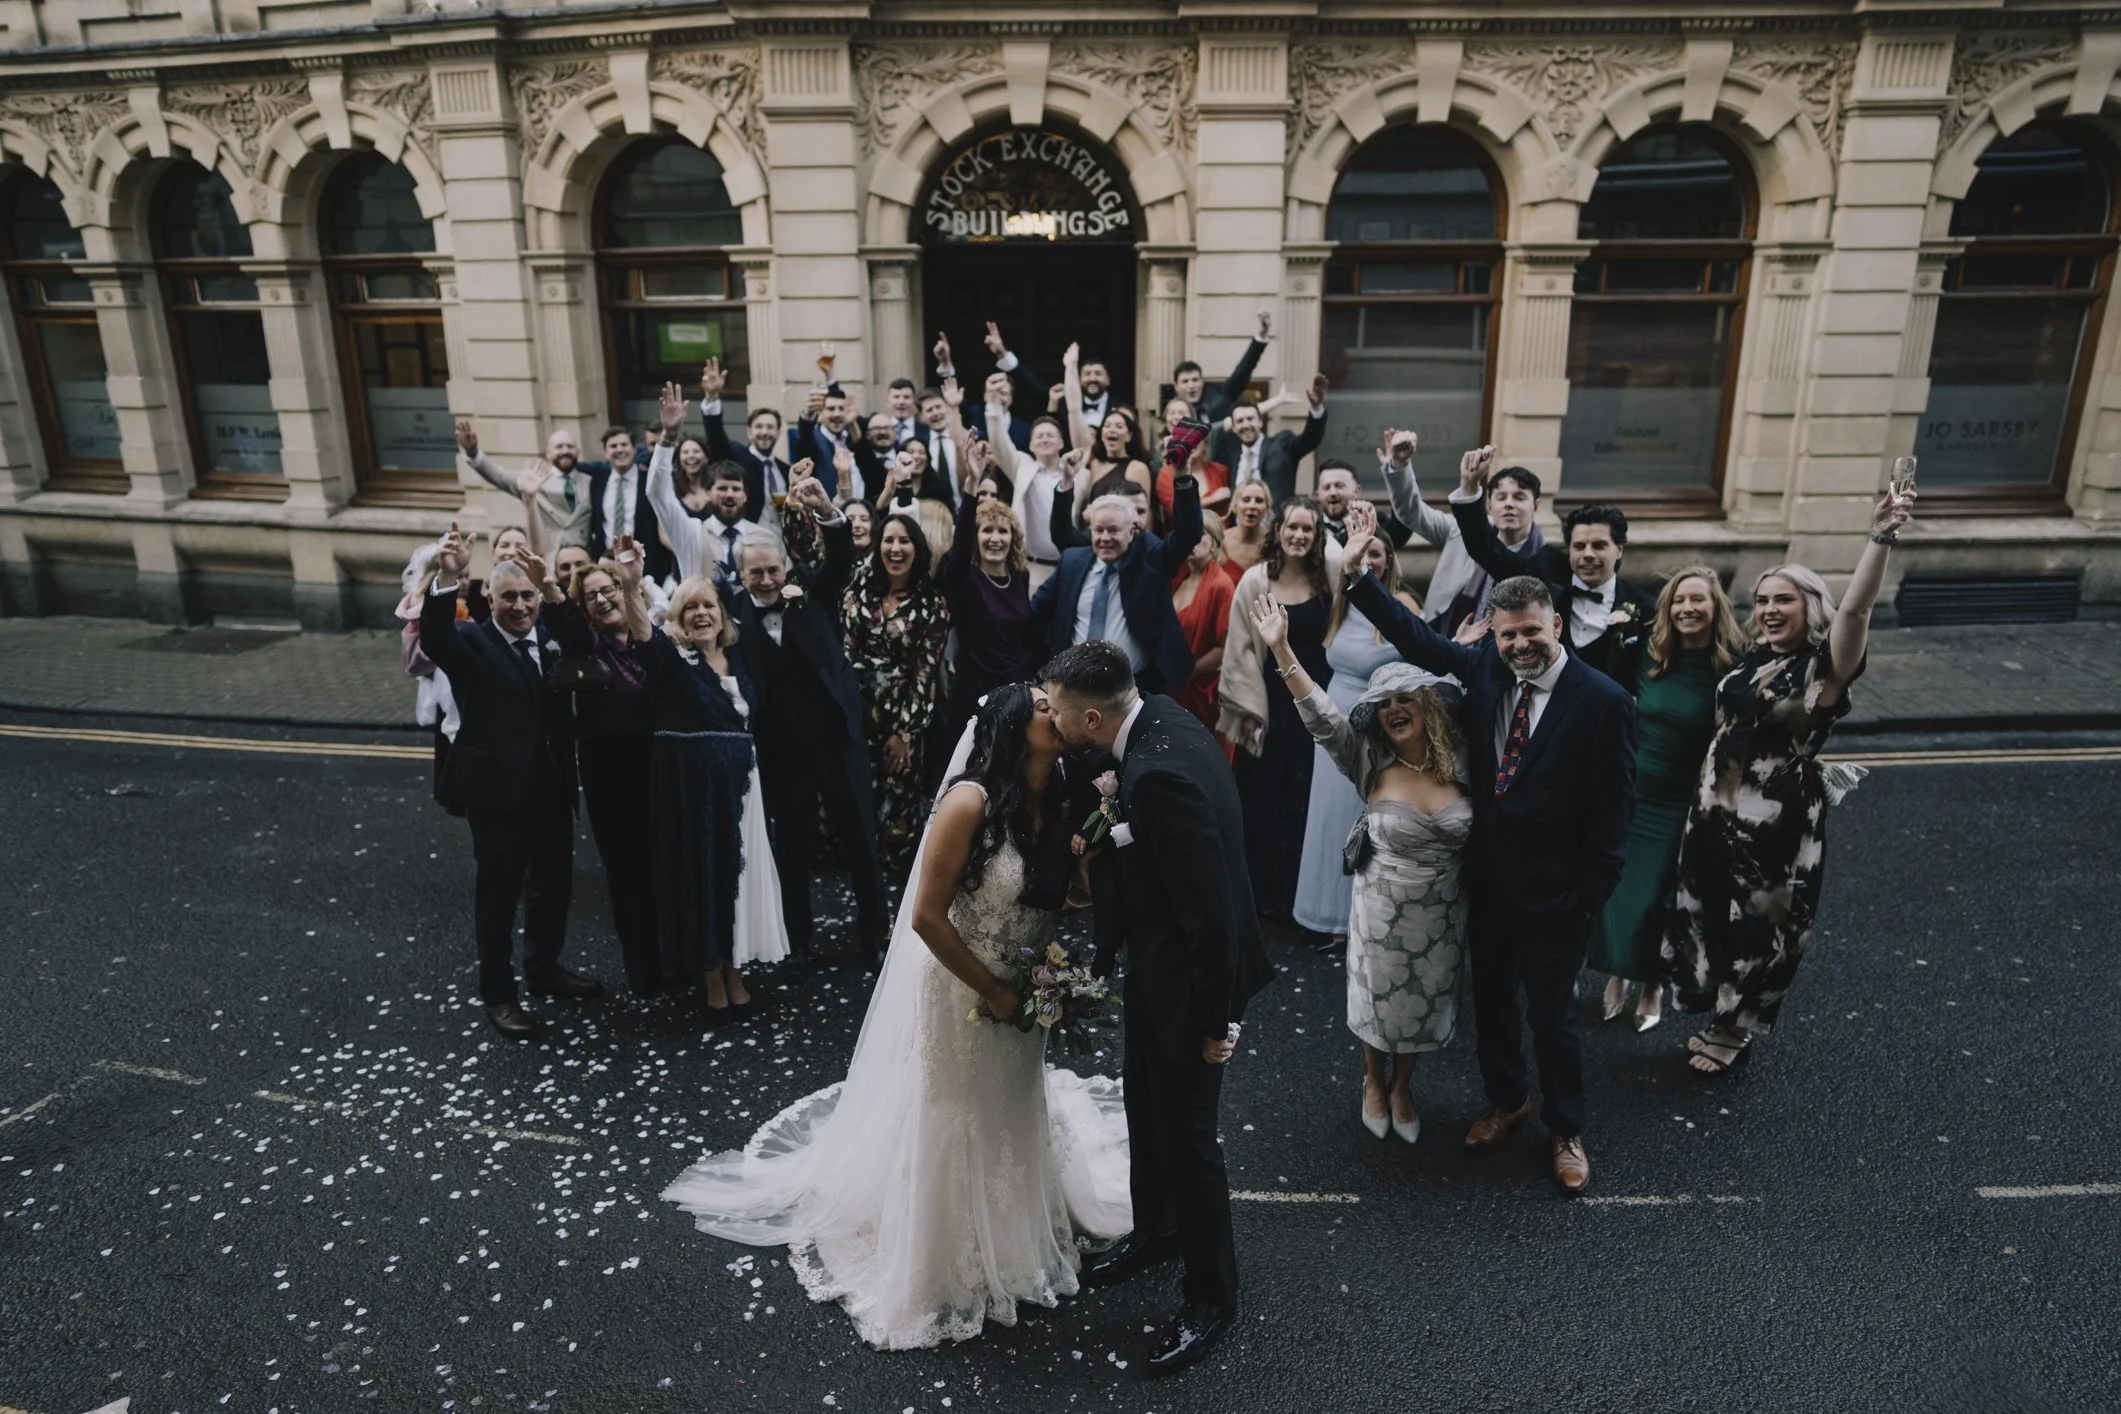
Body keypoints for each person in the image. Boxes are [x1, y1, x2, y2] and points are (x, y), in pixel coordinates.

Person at [663, 684, 1131, 1349]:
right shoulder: (967, 802)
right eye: (1039, 706)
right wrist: (991, 991)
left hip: (1025, 979)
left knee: (1010, 1099)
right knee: (957, 1107)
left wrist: (1078, 887)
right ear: (1007, 727)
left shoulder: (1054, 799)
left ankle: (1015, 1226)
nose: (1053, 713)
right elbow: (923, 918)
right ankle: (944, 1245)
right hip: (961, 987)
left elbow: (1056, 892)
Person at [1341, 533, 1637, 1197]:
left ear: (1554, 625)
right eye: (1506, 636)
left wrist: (1590, 893)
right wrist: (1363, 582)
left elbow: (1615, 812)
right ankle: (1506, 1102)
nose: (1517, 646)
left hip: (1558, 893)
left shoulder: (1603, 702)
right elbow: (1419, 643)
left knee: (1552, 1017)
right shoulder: (1484, 670)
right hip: (1486, 882)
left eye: (1529, 631)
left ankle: (1565, 1129)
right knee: (1495, 1003)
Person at [1043, 641, 1273, 1374]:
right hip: (1153, 966)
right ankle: (1156, 1230)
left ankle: (1211, 1298)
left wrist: (1217, 1024)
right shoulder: (1160, 718)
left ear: (1088, 716)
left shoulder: (1157, 775)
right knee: (1144, 1103)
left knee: (1190, 1138)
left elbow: (1211, 915)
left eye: (1052, 710)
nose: (1047, 719)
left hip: (1190, 984)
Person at [1663, 489, 1914, 1074]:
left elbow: (1856, 613)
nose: (1771, 608)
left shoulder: (1823, 670)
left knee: (1756, 923)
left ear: (1811, 605)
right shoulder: (1753, 656)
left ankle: (1735, 1031)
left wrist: (1879, 538)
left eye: (1785, 599)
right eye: (1763, 599)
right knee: (1708, 912)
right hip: (1713, 811)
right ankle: (1717, 1013)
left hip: (1772, 826)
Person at [1255, 598, 1469, 1145]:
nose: (1395, 709)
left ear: (1426, 707)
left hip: (1443, 911)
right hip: (1381, 908)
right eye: (1384, 704)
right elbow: (1323, 717)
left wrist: (1465, 651)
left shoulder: (1463, 762)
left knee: (1425, 998)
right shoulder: (1367, 759)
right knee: (1381, 999)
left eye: (1406, 700)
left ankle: (1404, 1087)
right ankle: (1374, 1080)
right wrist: (1281, 649)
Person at [706, 389, 890, 967]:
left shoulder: (811, 588)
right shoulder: (730, 609)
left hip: (837, 739)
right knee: (792, 848)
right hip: (780, 750)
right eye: (754, 572)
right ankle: (799, 939)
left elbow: (840, 557)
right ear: (741, 573)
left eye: (772, 570)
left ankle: (875, 935)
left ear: (786, 567)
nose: (764, 579)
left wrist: (829, 510)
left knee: (861, 840)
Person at [419, 529, 605, 1039]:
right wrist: (450, 576)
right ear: (492, 601)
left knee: (553, 886)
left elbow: (586, 644)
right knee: (499, 896)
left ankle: (544, 970)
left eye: (527, 596)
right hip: (496, 793)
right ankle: (499, 995)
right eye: (509, 597)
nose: (520, 606)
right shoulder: (472, 641)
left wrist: (552, 591)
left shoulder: (549, 635)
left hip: (551, 786)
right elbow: (434, 639)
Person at [1589, 566, 1748, 1031]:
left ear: (1715, 607)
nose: (1687, 608)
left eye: (1697, 600)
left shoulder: (1731, 666)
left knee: (1660, 899)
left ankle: (1653, 983)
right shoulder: (1646, 654)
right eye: (1678, 601)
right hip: (1633, 789)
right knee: (1623, 893)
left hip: (1683, 798)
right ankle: (1619, 972)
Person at [634, 570, 788, 1022]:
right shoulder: (672, 660)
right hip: (695, 795)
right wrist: (629, 584)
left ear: (722, 615)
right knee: (703, 875)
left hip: (743, 788)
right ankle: (711, 973)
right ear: (678, 619)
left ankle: (733, 964)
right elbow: (643, 633)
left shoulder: (740, 659)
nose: (701, 614)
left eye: (708, 606)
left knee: (736, 879)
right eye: (690, 608)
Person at [1292, 521, 1426, 952]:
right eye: (1362, 554)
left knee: (1365, 819)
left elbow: (1425, 656)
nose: (1369, 562)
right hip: (1335, 713)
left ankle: (1362, 919)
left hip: (1379, 723)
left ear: (1389, 561)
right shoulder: (1341, 603)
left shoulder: (1402, 603)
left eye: (1377, 554)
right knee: (1328, 819)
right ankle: (1324, 915)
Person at [542, 542, 662, 998]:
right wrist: (550, 588)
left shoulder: (650, 637)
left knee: (663, 872)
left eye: (609, 588)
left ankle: (680, 961)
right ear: (584, 609)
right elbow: (565, 625)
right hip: (612, 782)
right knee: (629, 877)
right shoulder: (586, 648)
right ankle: (645, 973)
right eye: (591, 596)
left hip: (658, 774)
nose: (603, 599)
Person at [1448, 447, 1654, 682]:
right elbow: (1485, 549)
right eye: (1579, 546)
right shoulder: (1544, 573)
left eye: (1598, 546)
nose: (1587, 555)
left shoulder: (1644, 608)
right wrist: (1469, 486)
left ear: (1619, 549)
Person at [1219, 494, 1333, 921]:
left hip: (1317, 700)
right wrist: (1250, 710)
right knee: (1264, 798)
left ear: (1317, 535)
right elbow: (1241, 648)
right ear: (1278, 531)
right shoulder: (1255, 581)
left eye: (1308, 528)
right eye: (1292, 527)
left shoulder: (1329, 579)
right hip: (1270, 702)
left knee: (1307, 798)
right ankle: (1261, 897)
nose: (1299, 535)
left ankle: (1299, 897)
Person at [1028, 451, 1203, 699]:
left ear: (1132, 531)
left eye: (1113, 530)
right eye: (1099, 530)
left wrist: (1183, 476)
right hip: (1072, 686)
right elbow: (1036, 614)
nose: (1105, 538)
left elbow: (1187, 535)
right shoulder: (1074, 561)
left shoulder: (1150, 558)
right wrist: (1047, 663)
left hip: (1132, 688)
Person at [840, 510, 952, 866]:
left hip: (901, 722)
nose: (895, 548)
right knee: (853, 802)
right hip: (851, 716)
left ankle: (898, 897)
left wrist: (905, 733)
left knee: (898, 813)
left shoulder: (931, 603)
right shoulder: (858, 586)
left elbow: (925, 673)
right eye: (888, 539)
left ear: (917, 549)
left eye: (904, 540)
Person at [941, 490, 1032, 742]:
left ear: (1013, 538)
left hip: (1015, 689)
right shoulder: (965, 578)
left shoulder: (1020, 578)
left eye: (1003, 531)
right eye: (987, 530)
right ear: (974, 537)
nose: (995, 538)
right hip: (975, 690)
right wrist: (970, 489)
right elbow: (958, 551)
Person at [645, 392, 757, 583]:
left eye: (736, 489)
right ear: (709, 493)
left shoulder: (760, 538)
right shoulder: (692, 535)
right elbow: (657, 494)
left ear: (745, 495)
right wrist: (669, 436)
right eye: (721, 489)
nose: (729, 495)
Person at [1433, 456, 1546, 632]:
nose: (1509, 504)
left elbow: (1484, 548)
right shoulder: (1477, 544)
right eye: (1501, 497)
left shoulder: (1542, 562)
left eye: (1519, 497)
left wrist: (1469, 487)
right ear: (1489, 506)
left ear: (1536, 506)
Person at [1170, 514, 1237, 760]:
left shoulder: (1221, 584)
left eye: (1200, 534)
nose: (1191, 540)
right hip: (1173, 691)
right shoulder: (1178, 578)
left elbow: (1225, 648)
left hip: (1205, 696)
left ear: (1215, 542)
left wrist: (1186, 672)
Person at [1208, 374, 1329, 507]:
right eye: (1240, 421)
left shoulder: (1282, 445)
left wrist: (1316, 408)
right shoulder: (1230, 456)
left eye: (1250, 419)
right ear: (1234, 428)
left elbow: (1309, 440)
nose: (1246, 425)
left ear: (1260, 422)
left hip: (1274, 524)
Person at [700, 357, 790, 523]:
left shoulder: (785, 469)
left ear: (778, 433)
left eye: (770, 427)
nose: (764, 432)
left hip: (781, 541)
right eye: (759, 427)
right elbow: (716, 437)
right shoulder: (737, 457)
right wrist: (712, 397)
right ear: (749, 432)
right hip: (748, 539)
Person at [1175, 309, 1271, 422]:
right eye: (1185, 381)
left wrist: (1262, 335)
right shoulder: (1173, 412)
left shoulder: (1220, 395)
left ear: (1202, 381)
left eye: (1195, 380)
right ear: (1176, 386)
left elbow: (1243, 371)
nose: (1191, 385)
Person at [1222, 480, 1271, 575]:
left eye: (1259, 501)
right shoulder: (1221, 542)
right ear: (1235, 506)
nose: (1252, 506)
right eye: (1246, 500)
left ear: (1267, 508)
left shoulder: (1274, 541)